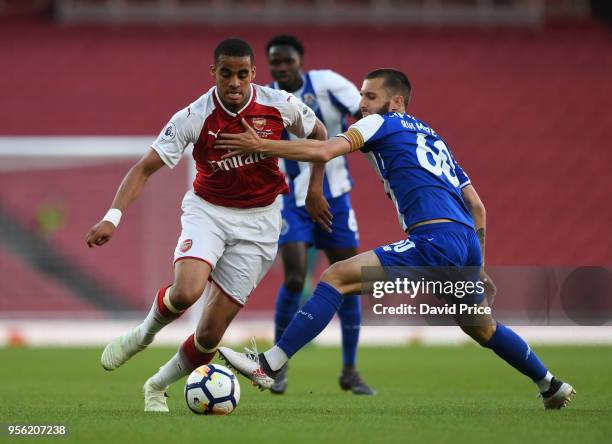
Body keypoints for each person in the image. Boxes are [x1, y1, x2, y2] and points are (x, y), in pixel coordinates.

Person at [214, 68, 576, 409]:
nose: (362, 104)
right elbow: (477, 206)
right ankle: (551, 384)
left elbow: (323, 150)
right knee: (481, 327)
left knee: (336, 277)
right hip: (464, 241)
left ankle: (270, 364)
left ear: (397, 100)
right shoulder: (433, 136)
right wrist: (476, 265)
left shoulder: (380, 123)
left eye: (371, 96)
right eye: (361, 96)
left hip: (434, 239)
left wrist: (260, 146)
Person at [85, 38, 326, 413]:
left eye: (242, 74)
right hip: (209, 212)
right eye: (226, 73)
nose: (234, 82)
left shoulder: (279, 105)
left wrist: (314, 189)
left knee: (210, 336)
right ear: (213, 72)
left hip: (260, 223)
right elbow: (143, 168)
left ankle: (156, 386)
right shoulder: (194, 115)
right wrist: (111, 216)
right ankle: (143, 335)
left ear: (253, 74)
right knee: (186, 293)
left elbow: (320, 136)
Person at [265, 34, 374, 395]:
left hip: (337, 199)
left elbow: (363, 116)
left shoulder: (327, 83)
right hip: (291, 202)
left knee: (351, 283)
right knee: (295, 279)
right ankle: (278, 367)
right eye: (275, 62)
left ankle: (350, 370)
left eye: (287, 61)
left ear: (301, 61)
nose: (281, 68)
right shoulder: (267, 98)